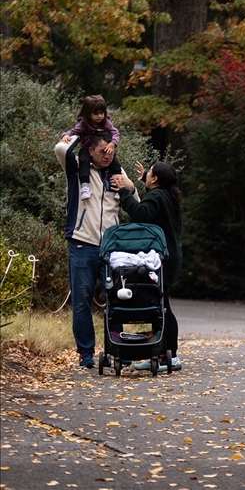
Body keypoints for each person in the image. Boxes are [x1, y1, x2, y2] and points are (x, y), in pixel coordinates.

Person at [55, 131, 139, 368]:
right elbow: (61, 150)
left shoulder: (116, 172)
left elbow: (138, 203)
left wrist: (128, 185)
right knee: (82, 301)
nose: (107, 155)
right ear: (90, 150)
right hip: (82, 244)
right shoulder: (76, 170)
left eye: (111, 151)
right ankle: (86, 354)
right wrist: (74, 134)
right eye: (102, 151)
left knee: (117, 299)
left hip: (112, 248)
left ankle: (118, 351)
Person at [110, 162, 184, 372]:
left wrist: (124, 192)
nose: (146, 174)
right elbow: (153, 206)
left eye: (149, 172)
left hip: (162, 257)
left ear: (156, 179)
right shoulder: (168, 195)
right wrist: (143, 179)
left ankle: (168, 355)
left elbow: (141, 213)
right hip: (170, 256)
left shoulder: (158, 196)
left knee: (162, 307)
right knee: (163, 304)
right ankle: (162, 353)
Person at [61, 95, 123, 200]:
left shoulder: (106, 122)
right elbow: (72, 132)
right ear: (88, 113)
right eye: (96, 113)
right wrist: (65, 135)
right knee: (83, 162)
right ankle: (85, 186)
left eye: (101, 113)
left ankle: (118, 186)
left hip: (104, 148)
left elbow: (115, 133)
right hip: (87, 148)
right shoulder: (83, 124)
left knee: (115, 164)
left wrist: (112, 144)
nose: (99, 116)